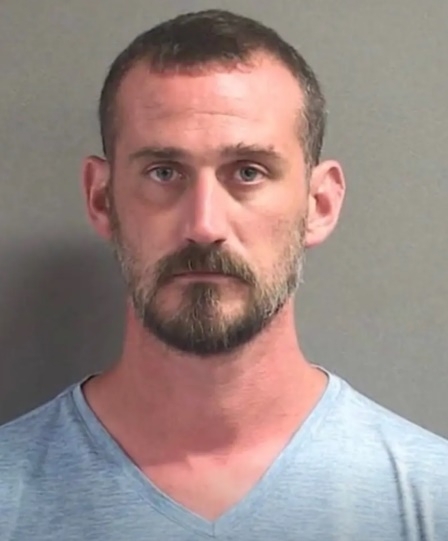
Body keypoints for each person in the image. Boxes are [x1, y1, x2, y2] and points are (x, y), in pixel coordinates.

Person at [0, 8, 447, 541]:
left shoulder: (432, 499)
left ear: (320, 204)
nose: (204, 225)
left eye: (248, 172)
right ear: (101, 198)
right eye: (164, 172)